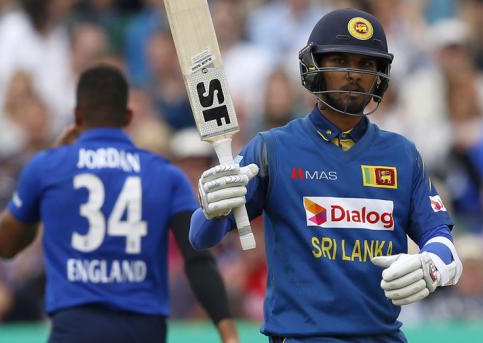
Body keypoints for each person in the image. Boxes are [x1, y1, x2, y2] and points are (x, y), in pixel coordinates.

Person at [190, 8, 463, 342]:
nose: (353, 74)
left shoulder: (401, 155)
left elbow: (440, 236)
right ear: (314, 67)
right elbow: (201, 237)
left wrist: (434, 264)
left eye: (366, 64)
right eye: (340, 61)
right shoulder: (272, 149)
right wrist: (211, 208)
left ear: (380, 75)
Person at [0, 65, 239, 343]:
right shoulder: (166, 174)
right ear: (128, 116)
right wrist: (228, 333)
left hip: (75, 327)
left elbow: (5, 246)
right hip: (143, 329)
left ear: (77, 115)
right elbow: (198, 259)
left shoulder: (48, 166)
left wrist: (40, 192)